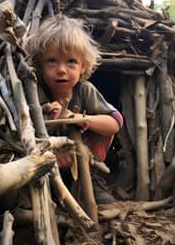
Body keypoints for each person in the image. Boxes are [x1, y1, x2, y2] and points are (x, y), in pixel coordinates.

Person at [27, 14, 123, 203]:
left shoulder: (84, 90)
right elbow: (22, 134)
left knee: (98, 127)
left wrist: (80, 119)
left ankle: (93, 182)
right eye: (52, 61)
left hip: (83, 163)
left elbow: (114, 124)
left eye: (71, 61)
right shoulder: (35, 93)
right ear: (40, 65)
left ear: (83, 66)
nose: (62, 69)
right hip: (45, 163)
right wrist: (53, 152)